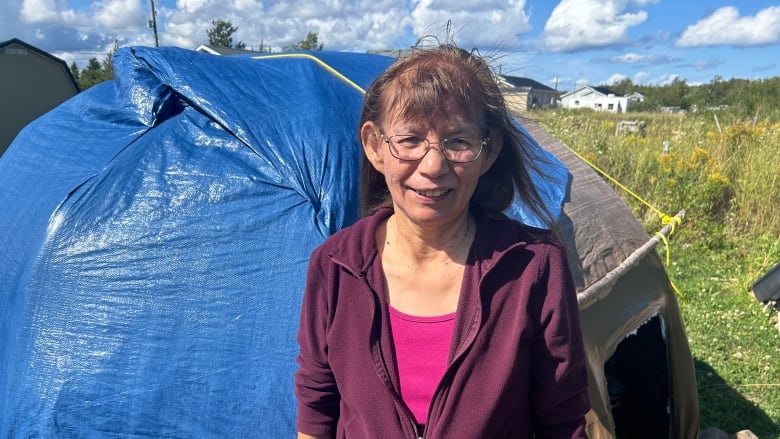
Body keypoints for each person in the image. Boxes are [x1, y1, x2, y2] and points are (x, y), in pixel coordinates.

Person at [294, 43, 590, 438]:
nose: (433, 166)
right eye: (411, 139)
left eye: (458, 142)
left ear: (490, 151)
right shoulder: (334, 266)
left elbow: (562, 423)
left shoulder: (534, 267)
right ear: (374, 145)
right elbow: (317, 413)